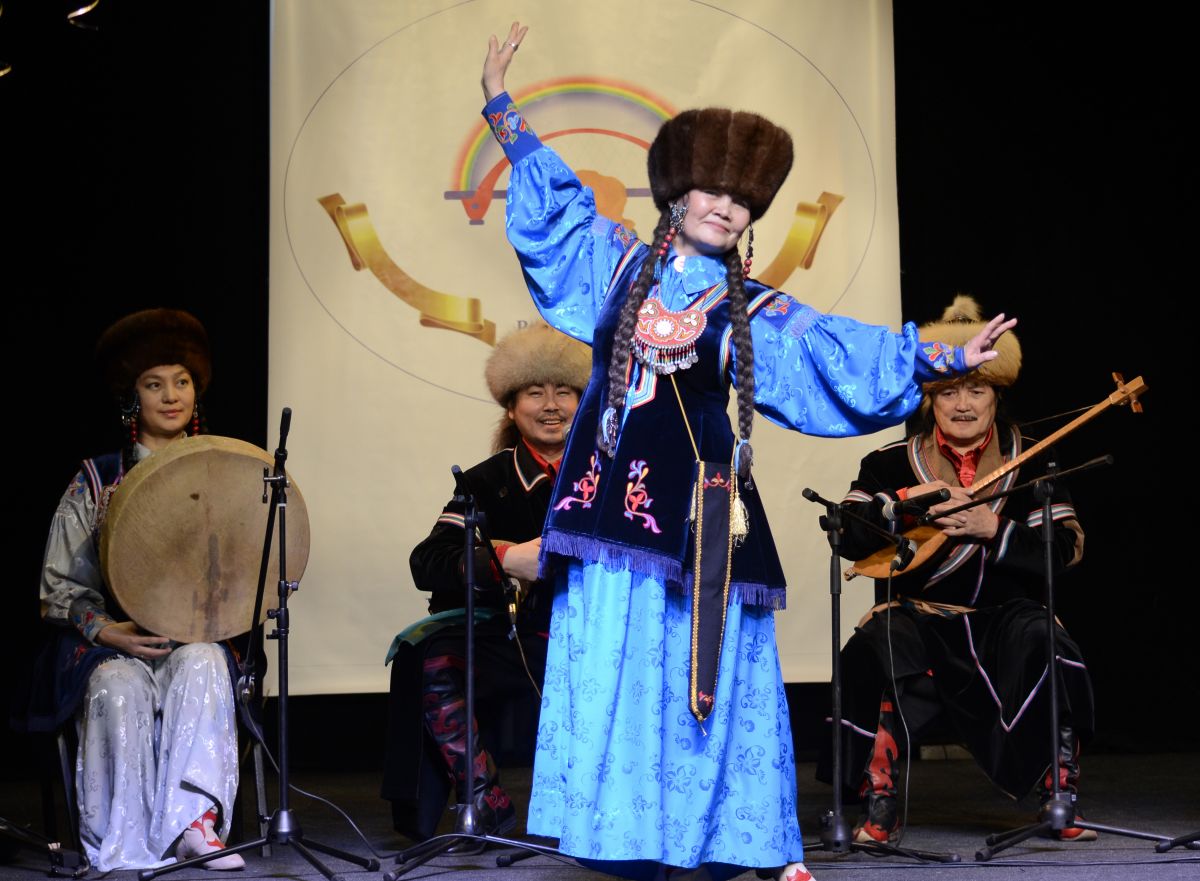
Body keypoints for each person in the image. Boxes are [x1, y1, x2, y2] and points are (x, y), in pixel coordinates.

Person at [479, 24, 1017, 881]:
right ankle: (627, 835)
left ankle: (726, 839)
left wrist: (936, 356)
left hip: (699, 521)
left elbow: (835, 352)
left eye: (744, 201)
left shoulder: (753, 309)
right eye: (714, 190)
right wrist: (501, 106)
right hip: (613, 516)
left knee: (706, 671)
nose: (727, 208)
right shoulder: (613, 265)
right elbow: (554, 209)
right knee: (618, 662)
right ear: (677, 193)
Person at [824, 296, 1094, 844]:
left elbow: (1065, 549)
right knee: (873, 648)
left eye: (977, 390)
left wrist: (995, 530)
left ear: (997, 396)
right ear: (930, 399)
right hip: (918, 615)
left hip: (1005, 618)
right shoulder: (889, 463)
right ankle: (879, 802)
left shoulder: (1034, 458)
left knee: (1048, 642)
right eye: (949, 391)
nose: (963, 404)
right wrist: (904, 505)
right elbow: (848, 536)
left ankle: (1059, 797)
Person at [30, 308, 245, 871]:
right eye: (154, 384)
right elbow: (56, 587)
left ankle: (194, 827)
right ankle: (124, 841)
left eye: (182, 381)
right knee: (118, 685)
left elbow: (248, 570)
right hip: (110, 643)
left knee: (205, 662)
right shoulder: (98, 479)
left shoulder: (222, 474)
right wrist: (108, 632)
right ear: (133, 398)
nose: (171, 396)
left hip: (194, 636)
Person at [382, 322, 589, 842]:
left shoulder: (614, 476)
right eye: (534, 392)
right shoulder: (483, 481)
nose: (551, 405)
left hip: (600, 637)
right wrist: (505, 557)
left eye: (564, 391)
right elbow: (428, 560)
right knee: (425, 655)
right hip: (516, 639)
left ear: (583, 401)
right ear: (511, 407)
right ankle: (481, 793)